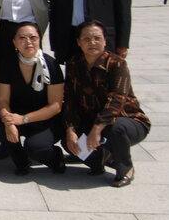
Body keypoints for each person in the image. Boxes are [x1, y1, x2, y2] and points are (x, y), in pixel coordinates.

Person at [63, 20, 150, 187]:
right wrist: (70, 129)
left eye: (97, 38)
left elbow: (116, 99)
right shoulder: (74, 64)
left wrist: (97, 128)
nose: (92, 43)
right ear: (79, 42)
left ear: (105, 40)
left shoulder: (117, 63)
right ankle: (100, 159)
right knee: (69, 141)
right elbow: (70, 99)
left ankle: (125, 167)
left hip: (127, 120)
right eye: (86, 39)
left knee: (115, 129)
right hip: (91, 118)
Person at [0, 22, 65, 176]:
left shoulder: (51, 65)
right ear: (14, 42)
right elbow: (2, 99)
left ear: (39, 39)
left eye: (33, 37)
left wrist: (23, 119)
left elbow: (55, 106)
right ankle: (22, 162)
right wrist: (8, 121)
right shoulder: (8, 63)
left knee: (35, 147)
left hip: (46, 119)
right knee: (3, 132)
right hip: (16, 116)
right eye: (22, 38)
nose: (28, 42)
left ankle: (56, 158)